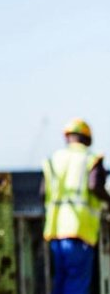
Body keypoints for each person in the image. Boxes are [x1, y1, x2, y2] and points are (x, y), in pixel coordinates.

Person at [43, 118, 110, 294]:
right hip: (80, 231)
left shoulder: (54, 159)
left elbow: (43, 192)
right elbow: (95, 186)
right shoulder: (90, 158)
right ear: (87, 139)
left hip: (55, 232)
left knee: (61, 281)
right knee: (76, 283)